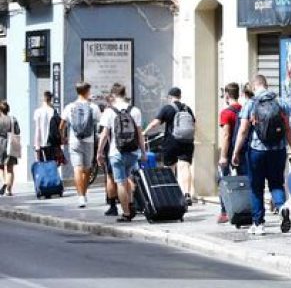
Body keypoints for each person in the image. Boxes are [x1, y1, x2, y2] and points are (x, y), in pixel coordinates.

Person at [232, 74, 291, 235]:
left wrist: (236, 152)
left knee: (256, 187)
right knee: (276, 184)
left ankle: (258, 224)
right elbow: (288, 130)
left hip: (256, 151)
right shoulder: (281, 103)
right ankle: (281, 207)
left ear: (254, 86)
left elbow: (243, 130)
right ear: (266, 84)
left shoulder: (250, 104)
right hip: (278, 151)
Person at [97, 83, 147, 222]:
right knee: (129, 177)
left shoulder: (109, 112)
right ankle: (130, 205)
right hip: (132, 152)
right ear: (125, 94)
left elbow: (104, 134)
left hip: (116, 152)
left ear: (113, 95)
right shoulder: (135, 110)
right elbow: (139, 133)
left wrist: (99, 152)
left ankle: (125, 213)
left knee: (120, 182)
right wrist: (143, 152)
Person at [144, 87, 196, 206]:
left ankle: (172, 194)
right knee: (185, 167)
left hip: (172, 142)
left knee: (170, 167)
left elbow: (155, 123)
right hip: (187, 141)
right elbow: (193, 124)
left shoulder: (168, 108)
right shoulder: (187, 109)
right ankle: (187, 194)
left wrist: (144, 132)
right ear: (180, 96)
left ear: (170, 97)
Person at [60, 82, 102, 208]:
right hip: (89, 141)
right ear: (87, 91)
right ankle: (84, 193)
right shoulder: (93, 107)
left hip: (74, 140)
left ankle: (81, 197)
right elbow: (99, 125)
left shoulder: (70, 107)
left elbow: (61, 125)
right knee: (87, 169)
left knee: (77, 168)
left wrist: (64, 137)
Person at [216, 82, 245, 223]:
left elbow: (226, 136)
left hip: (230, 152)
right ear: (238, 94)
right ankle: (245, 209)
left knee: (224, 180)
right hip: (243, 151)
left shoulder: (226, 113)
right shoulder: (244, 109)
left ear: (227, 95)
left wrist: (223, 156)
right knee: (244, 181)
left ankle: (224, 212)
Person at [33, 90, 63, 165]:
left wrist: (37, 146)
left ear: (43, 98)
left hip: (41, 143)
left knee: (42, 165)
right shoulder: (53, 111)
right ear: (51, 99)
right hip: (52, 143)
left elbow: (37, 129)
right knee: (52, 165)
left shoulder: (38, 112)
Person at [0, 101, 20, 196]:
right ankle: (8, 190)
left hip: (0, 145)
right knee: (10, 169)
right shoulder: (13, 119)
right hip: (10, 145)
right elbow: (17, 131)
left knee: (1, 167)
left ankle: (4, 182)